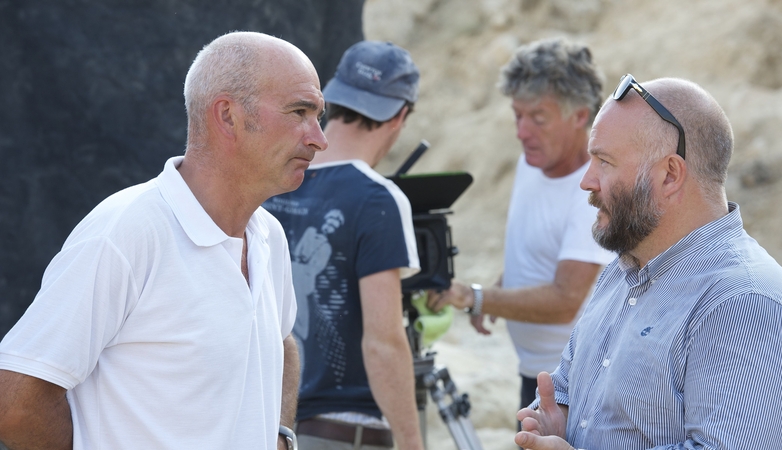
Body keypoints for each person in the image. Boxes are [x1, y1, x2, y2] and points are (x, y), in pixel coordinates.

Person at [0, 31, 327, 450]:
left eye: (318, 116)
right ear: (227, 116)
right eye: (299, 112)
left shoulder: (268, 235)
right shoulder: (126, 231)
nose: (319, 138)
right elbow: (15, 402)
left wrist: (279, 434)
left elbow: (282, 343)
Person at [515, 74, 782, 449]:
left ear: (669, 175)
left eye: (604, 162)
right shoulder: (622, 273)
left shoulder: (745, 304)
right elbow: (567, 389)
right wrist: (558, 421)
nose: (587, 181)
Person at [427, 38, 614, 412]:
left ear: (580, 115)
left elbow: (565, 301)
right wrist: (503, 288)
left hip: (578, 385)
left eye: (538, 118)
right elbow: (537, 245)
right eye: (517, 116)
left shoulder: (594, 191)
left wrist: (475, 297)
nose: (522, 131)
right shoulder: (531, 163)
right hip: (535, 373)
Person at [263, 41, 424, 450]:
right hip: (342, 430)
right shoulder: (376, 198)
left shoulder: (270, 180)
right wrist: (411, 442)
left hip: (266, 422)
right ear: (400, 115)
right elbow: (383, 343)